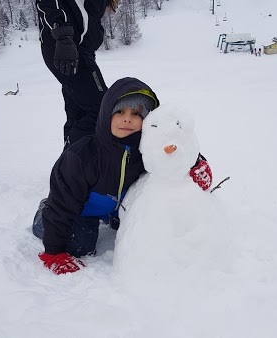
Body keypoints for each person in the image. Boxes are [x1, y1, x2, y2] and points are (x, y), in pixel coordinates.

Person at [32, 77, 214, 275]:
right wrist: (53, 251)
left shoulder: (145, 150)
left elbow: (174, 149)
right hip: (79, 207)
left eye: (136, 113)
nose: (127, 119)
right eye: (119, 111)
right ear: (105, 114)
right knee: (81, 246)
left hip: (116, 207)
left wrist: (196, 164)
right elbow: (62, 205)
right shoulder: (82, 156)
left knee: (138, 229)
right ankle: (43, 215)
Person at [35, 0, 119, 148]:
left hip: (81, 49)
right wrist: (63, 36)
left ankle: (72, 164)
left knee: (79, 113)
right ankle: (77, 160)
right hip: (64, 45)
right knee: (102, 109)